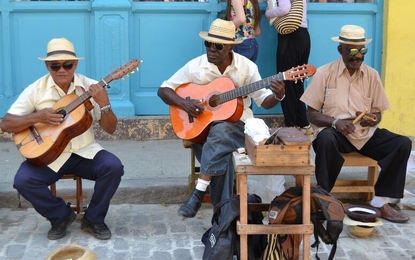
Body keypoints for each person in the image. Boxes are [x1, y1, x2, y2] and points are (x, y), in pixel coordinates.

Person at [157, 19, 285, 218]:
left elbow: (263, 100)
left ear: (230, 48)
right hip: (202, 132)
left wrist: (277, 95)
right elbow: (164, 89)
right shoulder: (195, 66)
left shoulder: (247, 67)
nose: (211, 50)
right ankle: (223, 218)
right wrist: (185, 104)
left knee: (223, 130)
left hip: (238, 128)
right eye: (208, 44)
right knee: (222, 154)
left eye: (217, 46)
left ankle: (200, 193)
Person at [0, 38, 124, 239]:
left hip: (85, 152)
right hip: (49, 156)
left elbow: (111, 129)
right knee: (23, 181)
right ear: (47, 65)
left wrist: (105, 103)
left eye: (67, 64)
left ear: (75, 64)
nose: (61, 70)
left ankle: (94, 218)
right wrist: (38, 117)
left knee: (114, 167)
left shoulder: (91, 87)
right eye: (54, 65)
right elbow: (6, 123)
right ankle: (60, 216)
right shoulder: (36, 89)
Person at [300, 25, 411, 223]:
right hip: (336, 134)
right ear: (340, 49)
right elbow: (311, 114)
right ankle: (324, 199)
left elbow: (377, 112)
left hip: (364, 134)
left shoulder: (372, 75)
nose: (358, 56)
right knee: (325, 139)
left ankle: (379, 202)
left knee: (402, 143)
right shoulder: (325, 73)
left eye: (362, 51)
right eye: (352, 51)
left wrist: (373, 119)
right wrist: (335, 122)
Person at [265, 0, 312, 135]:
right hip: (303, 36)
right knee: (298, 82)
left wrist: (268, 12)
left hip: (290, 38)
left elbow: (284, 9)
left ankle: (291, 127)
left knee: (286, 82)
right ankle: (303, 124)